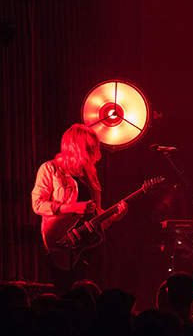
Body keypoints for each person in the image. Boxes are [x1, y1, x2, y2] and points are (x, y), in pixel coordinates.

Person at [31, 123, 126, 293]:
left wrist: (114, 216)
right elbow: (37, 204)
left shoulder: (90, 173)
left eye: (94, 148)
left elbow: (97, 214)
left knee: (97, 289)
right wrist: (73, 208)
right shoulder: (50, 169)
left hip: (92, 242)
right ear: (75, 147)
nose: (94, 153)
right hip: (64, 242)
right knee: (67, 291)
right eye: (89, 148)